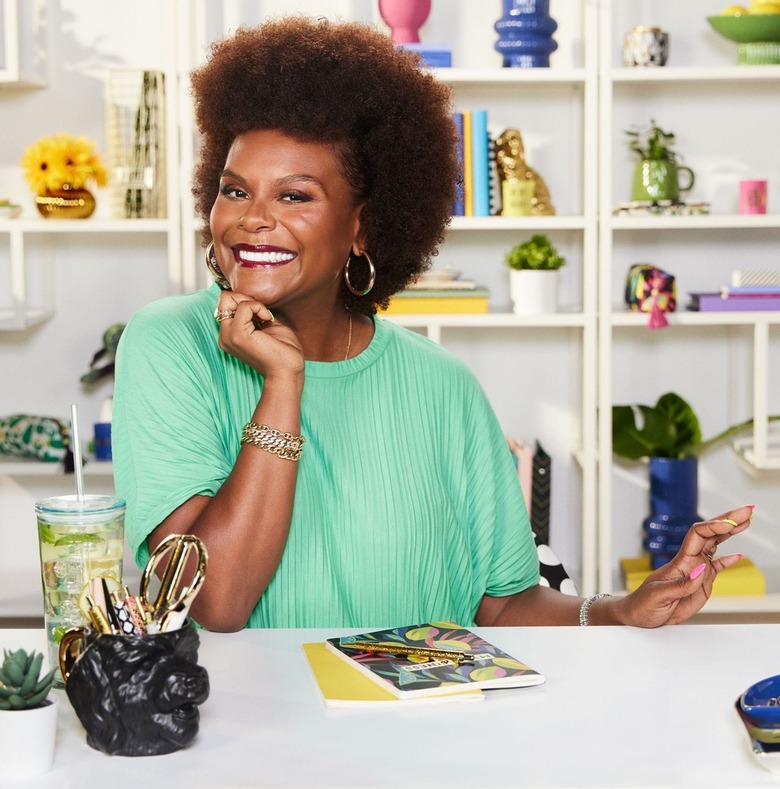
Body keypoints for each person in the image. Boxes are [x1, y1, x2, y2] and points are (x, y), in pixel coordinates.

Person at [112, 16, 752, 632]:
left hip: (427, 735)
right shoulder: (170, 344)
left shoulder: (442, 385)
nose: (251, 218)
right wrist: (283, 383)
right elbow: (214, 602)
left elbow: (501, 608)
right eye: (234, 189)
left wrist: (619, 611)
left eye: (294, 195)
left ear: (364, 224)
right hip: (248, 736)